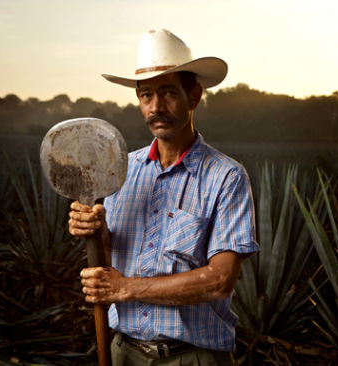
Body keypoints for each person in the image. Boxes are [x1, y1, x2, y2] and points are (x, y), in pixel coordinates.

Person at [68, 29, 259, 365]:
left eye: (168, 93)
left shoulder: (226, 177)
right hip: (122, 352)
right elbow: (112, 257)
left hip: (192, 358)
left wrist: (125, 288)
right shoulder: (121, 171)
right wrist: (95, 231)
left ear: (194, 96)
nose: (156, 107)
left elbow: (219, 280)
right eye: (145, 96)